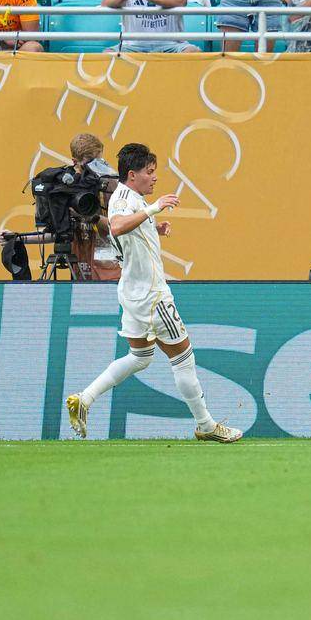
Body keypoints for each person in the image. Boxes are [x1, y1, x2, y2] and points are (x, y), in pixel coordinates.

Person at [66, 142, 243, 443]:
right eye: (150, 172)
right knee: (183, 359)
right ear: (132, 175)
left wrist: (151, 226)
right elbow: (119, 226)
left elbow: (117, 227)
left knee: (140, 357)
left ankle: (85, 398)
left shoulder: (124, 197)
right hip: (152, 296)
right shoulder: (128, 200)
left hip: (132, 293)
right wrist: (153, 208)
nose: (154, 178)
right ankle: (206, 424)